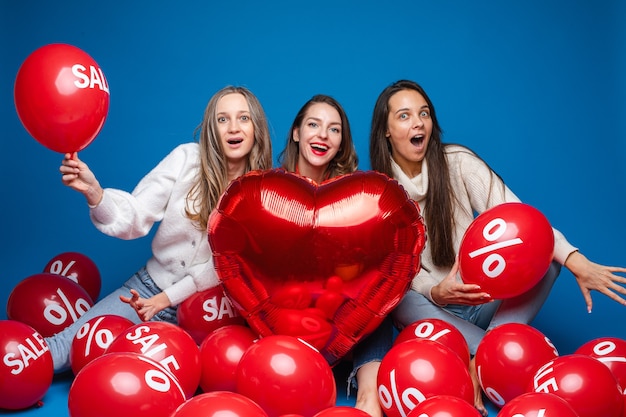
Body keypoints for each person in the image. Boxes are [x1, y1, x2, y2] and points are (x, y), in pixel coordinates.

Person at [366, 79, 626, 416]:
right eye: (404, 116)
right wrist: (437, 291)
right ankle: (492, 352)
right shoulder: (378, 193)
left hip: (484, 299)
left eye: (424, 114)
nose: (418, 123)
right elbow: (397, 270)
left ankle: (479, 361)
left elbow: (524, 224)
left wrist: (577, 261)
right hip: (434, 309)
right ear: (385, 131)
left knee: (548, 263)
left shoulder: (457, 162)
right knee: (395, 294)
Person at [48, 85, 273, 372]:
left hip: (212, 313)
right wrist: (96, 194)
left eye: (243, 118)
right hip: (146, 291)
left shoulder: (263, 194)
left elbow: (222, 267)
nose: (233, 127)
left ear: (256, 128)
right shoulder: (187, 159)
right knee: (62, 350)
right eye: (222, 119)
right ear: (211, 128)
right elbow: (137, 213)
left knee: (178, 385)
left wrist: (165, 301)